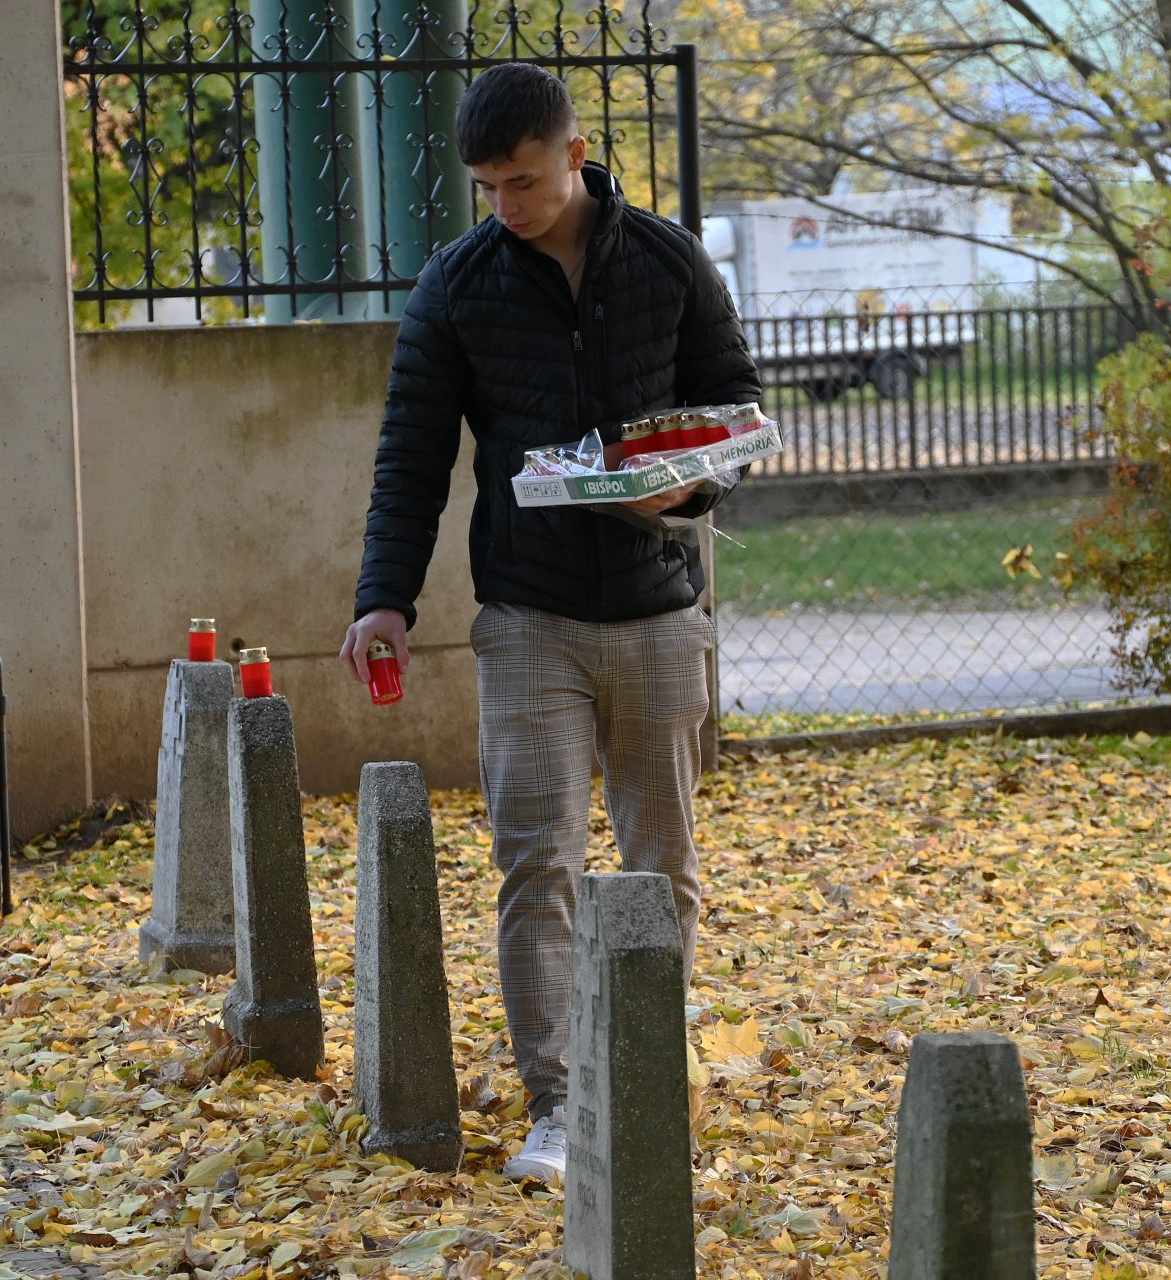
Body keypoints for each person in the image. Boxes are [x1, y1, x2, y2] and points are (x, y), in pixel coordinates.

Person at [340, 61, 760, 1186]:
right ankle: (562, 1102)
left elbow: (735, 408)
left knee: (661, 864)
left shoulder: (670, 259)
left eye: (522, 181)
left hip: (661, 608)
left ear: (575, 155)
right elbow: (411, 458)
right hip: (526, 618)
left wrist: (691, 490)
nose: (505, 205)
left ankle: (643, 1080)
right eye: (486, 187)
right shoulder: (458, 284)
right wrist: (383, 595)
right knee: (538, 860)